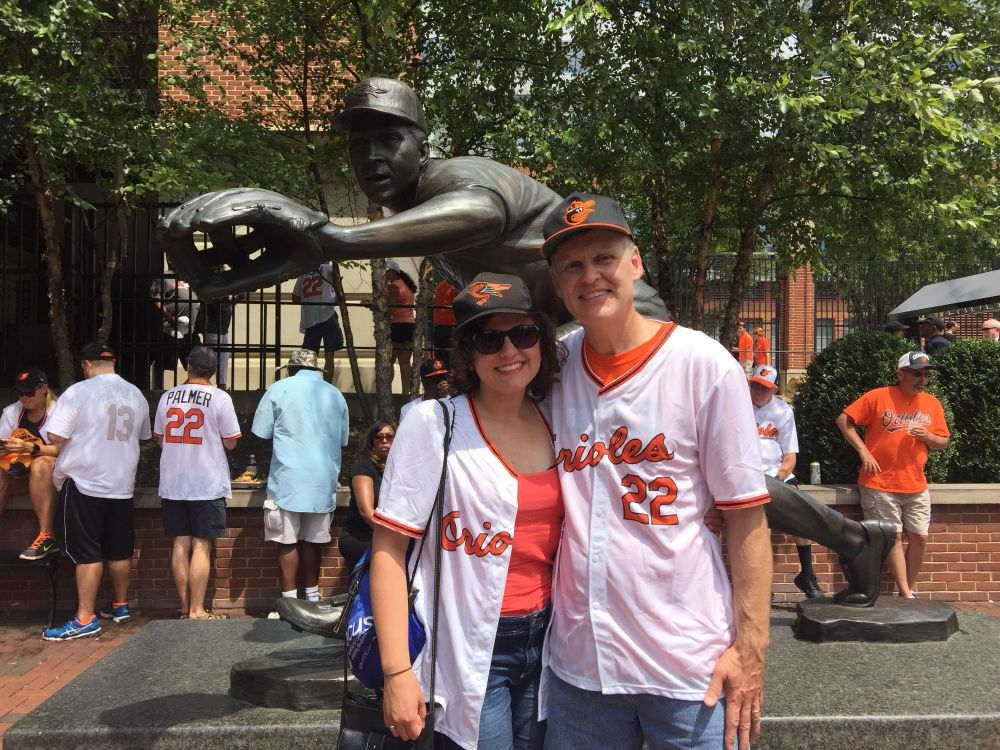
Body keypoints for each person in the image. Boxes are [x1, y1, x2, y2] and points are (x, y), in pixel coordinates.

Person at [541, 194, 772, 750]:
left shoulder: (702, 363)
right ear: (556, 283)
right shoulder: (552, 367)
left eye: (604, 258)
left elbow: (746, 519)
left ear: (635, 263)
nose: (589, 276)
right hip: (581, 667)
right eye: (572, 265)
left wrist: (750, 650)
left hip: (687, 667)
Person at [157, 77, 667, 325]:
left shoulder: (452, 177)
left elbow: (480, 213)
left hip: (629, 328)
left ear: (423, 148)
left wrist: (334, 239)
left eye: (389, 141)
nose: (372, 156)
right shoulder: (413, 214)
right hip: (572, 341)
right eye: (359, 145)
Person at [372, 273, 564, 750]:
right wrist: (396, 671)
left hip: (550, 641)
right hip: (470, 643)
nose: (508, 351)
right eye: (488, 340)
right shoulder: (434, 423)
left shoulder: (555, 417)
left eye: (522, 334)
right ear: (467, 353)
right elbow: (389, 551)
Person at [41, 342, 151, 641]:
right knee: (119, 550)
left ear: (86, 365)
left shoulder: (79, 391)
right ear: (113, 363)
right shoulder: (136, 394)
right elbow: (143, 435)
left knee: (87, 553)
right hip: (121, 484)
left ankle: (85, 617)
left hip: (85, 482)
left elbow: (54, 435)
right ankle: (120, 604)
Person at [836, 351, 951, 599]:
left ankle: (906, 591)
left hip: (915, 483)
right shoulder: (879, 396)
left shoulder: (932, 403)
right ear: (901, 374)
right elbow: (844, 420)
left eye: (926, 374)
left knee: (919, 537)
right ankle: (906, 593)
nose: (923, 379)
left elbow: (942, 441)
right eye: (917, 374)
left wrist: (928, 437)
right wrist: (863, 451)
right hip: (879, 483)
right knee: (893, 537)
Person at [252, 348, 349, 605]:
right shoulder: (335, 394)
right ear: (317, 369)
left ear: (291, 369)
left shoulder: (278, 389)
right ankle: (313, 598)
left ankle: (289, 601)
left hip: (287, 479)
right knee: (313, 542)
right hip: (322, 479)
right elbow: (343, 439)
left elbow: (261, 434)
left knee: (286, 542)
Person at [153, 346, 241, 619]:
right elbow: (231, 442)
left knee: (180, 543)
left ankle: (183, 607)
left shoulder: (168, 397)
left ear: (187, 366)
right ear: (213, 370)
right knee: (202, 544)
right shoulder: (220, 398)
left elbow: (159, 438)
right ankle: (197, 609)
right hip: (206, 480)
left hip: (173, 480)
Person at [748, 365, 821, 598]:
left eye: (765, 387)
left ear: (774, 389)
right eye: (755, 385)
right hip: (748, 477)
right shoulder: (738, 407)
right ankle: (761, 584)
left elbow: (790, 456)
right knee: (760, 528)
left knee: (801, 521)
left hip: (779, 476)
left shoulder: (783, 410)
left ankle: (807, 575)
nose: (759, 391)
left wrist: (778, 479)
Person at [0, 368, 59, 560]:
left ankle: (47, 536)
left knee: (41, 463)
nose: (24, 398)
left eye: (29, 393)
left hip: (54, 476)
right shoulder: (12, 412)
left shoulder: (59, 411)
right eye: (20, 393)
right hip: (19, 472)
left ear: (44, 389)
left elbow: (66, 450)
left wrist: (30, 448)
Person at [338, 420, 396, 572]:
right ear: (372, 442)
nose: (384, 440)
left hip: (387, 535)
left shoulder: (400, 468)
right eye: (379, 437)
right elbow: (366, 511)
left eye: (390, 437)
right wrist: (392, 538)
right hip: (361, 536)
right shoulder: (363, 466)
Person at [292, 262, 344, 383]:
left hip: (311, 320)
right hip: (328, 316)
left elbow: (295, 297)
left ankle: (309, 385)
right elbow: (338, 289)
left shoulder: (304, 271)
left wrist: (309, 301)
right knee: (329, 357)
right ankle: (327, 386)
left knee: (309, 358)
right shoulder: (328, 269)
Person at [150, 277, 201, 383]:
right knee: (164, 361)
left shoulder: (188, 275)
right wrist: (169, 318)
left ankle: (191, 387)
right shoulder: (165, 277)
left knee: (197, 362)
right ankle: (158, 390)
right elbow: (157, 300)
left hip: (189, 330)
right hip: (170, 330)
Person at [386, 260, 417, 394]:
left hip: (397, 325)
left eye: (386, 272)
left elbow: (390, 308)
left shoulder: (393, 286)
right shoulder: (407, 285)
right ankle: (406, 394)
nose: (384, 275)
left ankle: (387, 391)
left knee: (389, 361)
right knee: (405, 363)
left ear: (392, 272)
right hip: (409, 325)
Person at [195, 294, 235, 389]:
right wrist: (236, 300)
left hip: (223, 329)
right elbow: (217, 306)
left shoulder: (226, 287)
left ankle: (222, 386)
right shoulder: (215, 288)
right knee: (209, 361)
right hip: (213, 329)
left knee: (222, 361)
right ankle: (200, 385)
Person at [399, 357, 450, 424]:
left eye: (444, 377)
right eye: (436, 378)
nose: (442, 381)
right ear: (424, 382)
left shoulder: (454, 405)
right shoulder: (408, 410)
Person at [433, 278, 459, 366]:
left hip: (440, 326)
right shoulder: (456, 285)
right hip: (453, 325)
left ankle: (442, 378)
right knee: (454, 358)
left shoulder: (441, 285)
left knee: (441, 359)